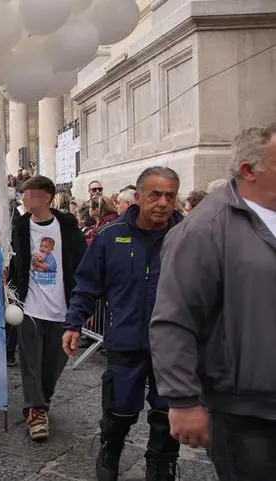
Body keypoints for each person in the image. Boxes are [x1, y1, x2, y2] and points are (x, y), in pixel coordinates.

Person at [150, 125, 276, 480]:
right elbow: (174, 319)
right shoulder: (204, 230)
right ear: (250, 170)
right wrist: (183, 400)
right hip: (246, 412)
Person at [63, 166, 183, 481]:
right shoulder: (110, 236)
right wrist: (74, 323)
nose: (162, 202)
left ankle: (162, 466)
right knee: (119, 410)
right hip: (125, 339)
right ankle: (110, 450)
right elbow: (87, 284)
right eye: (155, 195)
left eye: (169, 195)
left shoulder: (188, 237)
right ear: (138, 197)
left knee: (168, 413)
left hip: (174, 346)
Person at [9, 176, 86, 442]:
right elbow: (13, 260)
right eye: (23, 195)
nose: (23, 199)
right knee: (30, 362)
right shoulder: (19, 226)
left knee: (54, 363)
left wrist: (83, 301)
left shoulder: (67, 224)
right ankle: (36, 410)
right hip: (29, 306)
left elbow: (81, 262)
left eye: (28, 194)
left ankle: (42, 400)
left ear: (46, 198)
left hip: (62, 306)